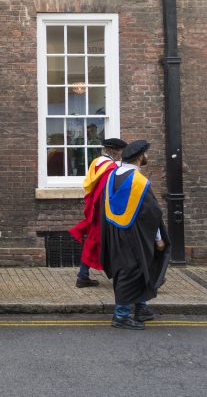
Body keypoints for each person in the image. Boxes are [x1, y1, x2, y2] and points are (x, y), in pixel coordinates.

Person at [100, 140, 170, 330]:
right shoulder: (139, 182)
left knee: (134, 269)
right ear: (140, 157)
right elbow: (152, 214)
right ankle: (121, 315)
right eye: (146, 154)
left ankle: (141, 308)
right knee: (131, 271)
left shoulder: (112, 176)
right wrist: (159, 239)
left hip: (115, 232)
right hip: (136, 235)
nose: (147, 156)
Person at [69, 137, 126, 288]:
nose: (122, 154)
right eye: (121, 151)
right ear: (114, 151)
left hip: (95, 209)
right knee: (107, 242)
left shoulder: (97, 162)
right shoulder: (110, 169)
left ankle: (83, 275)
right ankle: (124, 278)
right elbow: (108, 193)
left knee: (93, 241)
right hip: (104, 212)